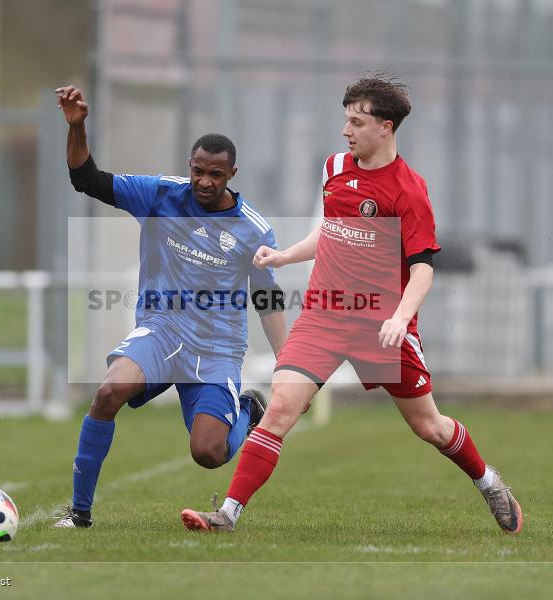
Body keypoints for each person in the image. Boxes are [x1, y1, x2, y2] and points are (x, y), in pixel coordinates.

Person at [181, 73, 523, 534]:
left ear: (386, 127)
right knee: (281, 406)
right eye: (345, 120)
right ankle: (226, 515)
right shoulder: (336, 168)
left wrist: (401, 317)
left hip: (381, 324)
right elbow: (332, 231)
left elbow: (423, 268)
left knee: (430, 428)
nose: (346, 130)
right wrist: (285, 254)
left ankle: (487, 482)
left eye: (357, 122)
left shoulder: (409, 191)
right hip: (323, 315)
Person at [52, 85, 287, 528]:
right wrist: (78, 125)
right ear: (190, 166)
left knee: (208, 454)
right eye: (198, 171)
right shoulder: (161, 195)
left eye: (215, 175)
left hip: (217, 346)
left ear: (232, 173)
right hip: (163, 331)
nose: (204, 182)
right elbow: (86, 179)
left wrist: (289, 364)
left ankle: (246, 411)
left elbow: (266, 297)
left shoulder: (252, 229)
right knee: (108, 392)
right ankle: (79, 512)